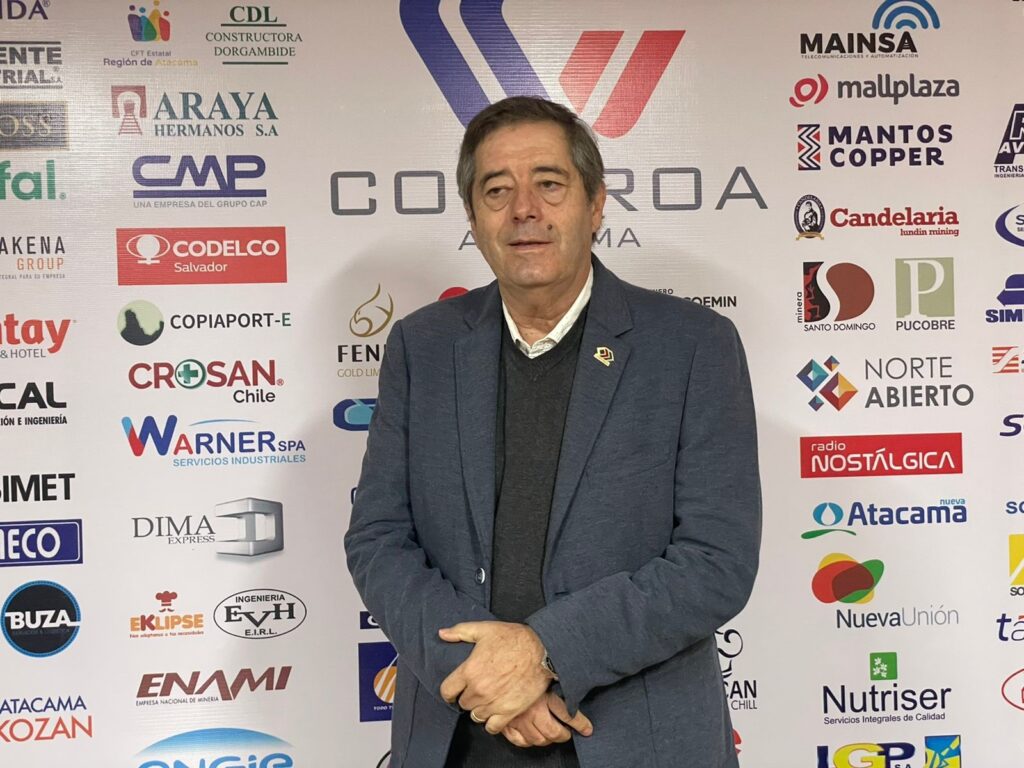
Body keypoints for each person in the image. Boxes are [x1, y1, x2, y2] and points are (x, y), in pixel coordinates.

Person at [345, 96, 761, 768]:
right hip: (460, 734)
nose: (523, 210)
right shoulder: (422, 348)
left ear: (595, 205)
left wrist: (544, 654)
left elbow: (717, 561)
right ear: (473, 218)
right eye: (496, 190)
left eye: (549, 184)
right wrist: (486, 676)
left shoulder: (693, 347)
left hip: (635, 740)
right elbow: (378, 538)